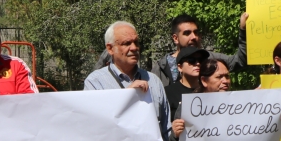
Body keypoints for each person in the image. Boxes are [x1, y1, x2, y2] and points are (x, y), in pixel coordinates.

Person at [95, 13, 250, 86]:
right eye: (187, 33)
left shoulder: (211, 59)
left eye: (196, 32)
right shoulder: (161, 68)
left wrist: (243, 30)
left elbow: (240, 60)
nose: (193, 37)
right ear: (175, 38)